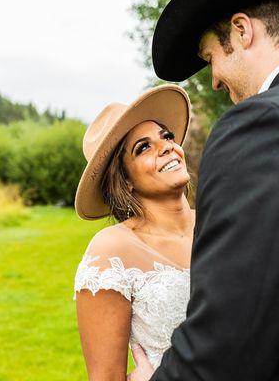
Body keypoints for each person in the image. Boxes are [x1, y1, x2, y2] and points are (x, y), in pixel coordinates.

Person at [128, 0, 279, 380]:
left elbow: (227, 347)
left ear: (242, 31)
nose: (215, 82)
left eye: (210, 58)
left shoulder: (265, 123)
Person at [73, 84, 196, 380]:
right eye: (144, 147)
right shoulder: (112, 251)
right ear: (125, 180)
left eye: (165, 136)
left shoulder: (221, 222)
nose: (166, 146)